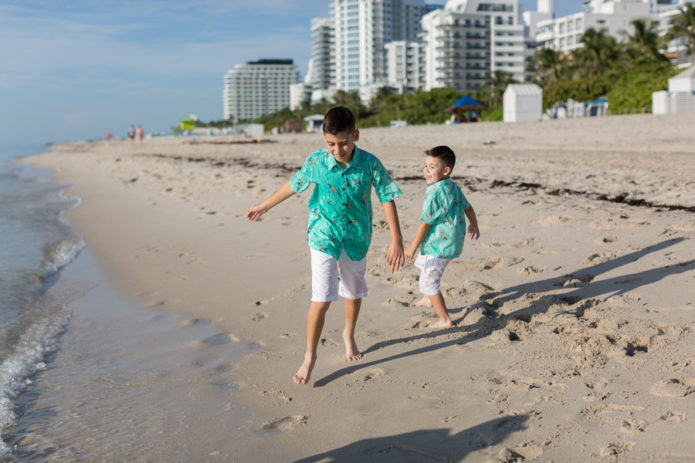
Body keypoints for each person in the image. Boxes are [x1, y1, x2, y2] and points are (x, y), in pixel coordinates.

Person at [246, 106, 405, 385]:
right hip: (322, 235)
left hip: (356, 237)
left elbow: (386, 197)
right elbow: (294, 185)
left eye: (343, 143)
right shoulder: (317, 162)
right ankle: (310, 356)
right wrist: (264, 205)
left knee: (353, 292)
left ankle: (348, 334)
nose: (338, 149)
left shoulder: (370, 164)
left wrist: (396, 239)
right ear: (324, 140)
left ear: (355, 135)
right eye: (331, 144)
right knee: (321, 298)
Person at [404, 145, 480, 329]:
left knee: (430, 280)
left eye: (432, 167)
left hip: (440, 245)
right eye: (425, 166)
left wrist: (413, 246)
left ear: (446, 170)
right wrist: (474, 224)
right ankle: (427, 299)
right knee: (423, 264)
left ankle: (445, 319)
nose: (426, 171)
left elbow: (425, 223)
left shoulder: (436, 194)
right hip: (449, 241)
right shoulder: (452, 186)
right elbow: (468, 207)